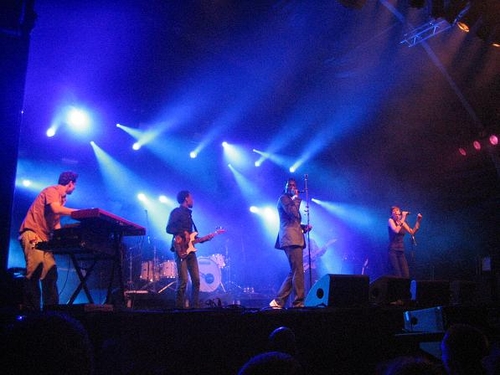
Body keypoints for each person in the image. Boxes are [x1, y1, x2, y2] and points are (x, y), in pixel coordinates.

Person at [18, 171, 78, 311]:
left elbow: (55, 224)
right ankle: (31, 311)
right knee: (35, 269)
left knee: (50, 273)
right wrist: (78, 213)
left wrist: (64, 238)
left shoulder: (62, 199)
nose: (74, 188)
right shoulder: (52, 190)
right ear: (70, 183)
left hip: (44, 238)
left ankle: (52, 311)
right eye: (74, 185)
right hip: (32, 233)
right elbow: (55, 209)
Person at [166, 190, 214, 309]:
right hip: (180, 249)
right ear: (186, 198)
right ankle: (179, 308)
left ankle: (195, 307)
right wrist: (183, 232)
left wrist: (205, 238)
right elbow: (169, 228)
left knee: (196, 280)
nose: (192, 200)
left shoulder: (189, 215)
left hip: (190, 250)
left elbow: (192, 238)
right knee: (183, 281)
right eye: (191, 197)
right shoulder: (176, 212)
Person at [270, 178, 311, 309]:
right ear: (286, 187)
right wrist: (296, 198)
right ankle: (298, 302)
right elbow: (293, 214)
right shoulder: (284, 199)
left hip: (294, 237)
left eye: (294, 185)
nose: (292, 187)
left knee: (294, 271)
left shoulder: (290, 201)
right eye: (290, 185)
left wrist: (303, 227)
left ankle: (278, 301)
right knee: (298, 271)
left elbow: (294, 222)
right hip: (290, 239)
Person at [387, 206, 422, 278]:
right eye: (395, 212)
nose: (397, 214)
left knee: (406, 274)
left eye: (398, 212)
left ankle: (405, 289)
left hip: (401, 251)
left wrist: (418, 221)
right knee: (397, 275)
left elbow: (412, 232)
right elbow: (396, 230)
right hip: (393, 251)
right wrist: (403, 218)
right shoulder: (390, 220)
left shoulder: (402, 222)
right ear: (392, 214)